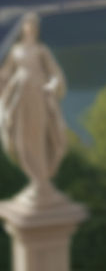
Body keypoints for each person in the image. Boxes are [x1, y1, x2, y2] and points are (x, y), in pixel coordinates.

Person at [0, 12, 68, 201]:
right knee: (22, 138)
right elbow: (5, 74)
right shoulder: (15, 50)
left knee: (38, 136)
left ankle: (42, 180)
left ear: (36, 29)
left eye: (33, 25)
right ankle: (35, 179)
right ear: (23, 28)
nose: (30, 28)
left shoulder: (41, 50)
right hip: (21, 97)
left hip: (38, 95)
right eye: (27, 25)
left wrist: (53, 85)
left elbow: (54, 73)